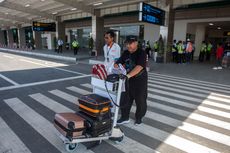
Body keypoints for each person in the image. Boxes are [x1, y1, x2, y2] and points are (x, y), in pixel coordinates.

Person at [115, 35, 148, 125]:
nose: (128, 46)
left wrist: (128, 75)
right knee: (125, 99)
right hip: (127, 80)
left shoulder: (141, 53)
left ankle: (139, 118)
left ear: (136, 43)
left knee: (140, 100)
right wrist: (115, 67)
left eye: (131, 43)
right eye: (127, 44)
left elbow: (139, 67)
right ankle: (125, 117)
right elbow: (118, 63)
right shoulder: (125, 53)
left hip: (139, 80)